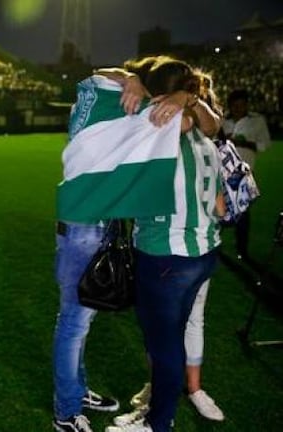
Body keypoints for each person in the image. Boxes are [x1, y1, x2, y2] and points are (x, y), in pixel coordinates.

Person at [105, 58, 225, 432]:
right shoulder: (204, 128)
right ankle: (156, 409)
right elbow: (220, 203)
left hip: (166, 253)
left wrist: (129, 80)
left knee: (164, 347)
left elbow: (97, 77)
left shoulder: (161, 123)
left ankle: (157, 423)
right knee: (171, 338)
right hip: (203, 251)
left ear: (156, 91)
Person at [53, 63, 169, 432]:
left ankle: (77, 388)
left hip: (82, 222)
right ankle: (66, 412)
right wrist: (139, 82)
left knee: (79, 321)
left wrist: (131, 79)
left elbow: (102, 70)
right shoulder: (114, 99)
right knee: (74, 322)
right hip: (84, 225)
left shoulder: (93, 94)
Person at [221, 89, 272, 260]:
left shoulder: (257, 120)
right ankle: (213, 246)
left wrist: (247, 143)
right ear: (230, 106)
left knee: (243, 212)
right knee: (217, 209)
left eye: (242, 105)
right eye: (235, 106)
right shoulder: (221, 119)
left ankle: (242, 249)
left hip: (244, 173)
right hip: (221, 171)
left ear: (247, 105)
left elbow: (265, 144)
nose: (238, 109)